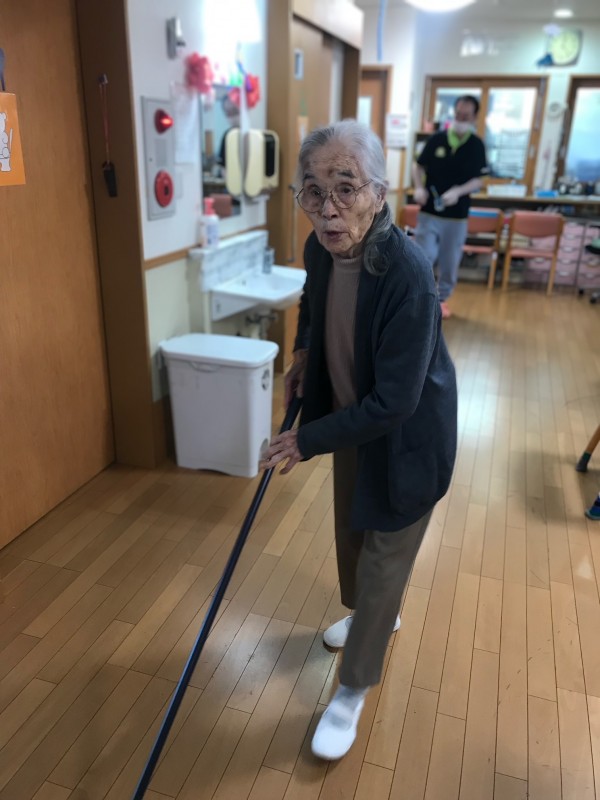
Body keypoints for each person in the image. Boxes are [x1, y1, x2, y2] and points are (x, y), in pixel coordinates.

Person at [259, 120, 458, 761]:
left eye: (346, 188)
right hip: (353, 417)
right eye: (313, 191)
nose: (328, 209)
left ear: (378, 192)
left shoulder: (407, 273)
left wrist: (305, 440)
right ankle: (377, 613)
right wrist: (303, 352)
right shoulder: (321, 247)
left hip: (407, 435)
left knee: (383, 557)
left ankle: (351, 690)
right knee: (351, 530)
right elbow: (313, 303)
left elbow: (397, 402)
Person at [412, 95, 488, 319]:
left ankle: (441, 299)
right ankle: (420, 297)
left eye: (466, 116)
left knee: (449, 260)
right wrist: (419, 188)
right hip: (429, 212)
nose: (460, 119)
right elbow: (418, 166)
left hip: (456, 216)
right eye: (458, 115)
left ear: (474, 117)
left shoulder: (476, 146)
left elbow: (479, 180)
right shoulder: (437, 140)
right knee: (424, 255)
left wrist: (459, 191)